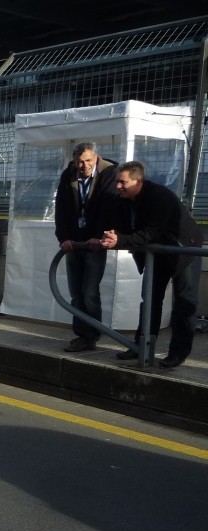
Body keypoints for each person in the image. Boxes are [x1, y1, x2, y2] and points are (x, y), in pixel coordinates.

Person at [100, 161, 204, 368]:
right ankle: (142, 347)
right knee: (149, 301)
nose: (118, 186)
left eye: (123, 182)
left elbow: (152, 232)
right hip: (158, 254)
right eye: (118, 182)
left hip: (184, 250)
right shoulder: (124, 200)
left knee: (184, 303)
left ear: (138, 181)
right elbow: (121, 227)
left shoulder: (159, 196)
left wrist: (120, 240)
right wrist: (111, 236)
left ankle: (178, 353)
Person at [54, 142, 118, 352]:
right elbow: (61, 209)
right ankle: (82, 334)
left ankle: (91, 335)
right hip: (75, 242)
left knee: (90, 291)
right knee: (76, 292)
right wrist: (63, 237)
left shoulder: (108, 173)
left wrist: (98, 237)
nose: (84, 165)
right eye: (79, 162)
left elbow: (108, 208)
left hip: (94, 243)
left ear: (96, 157)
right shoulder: (69, 175)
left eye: (88, 160)